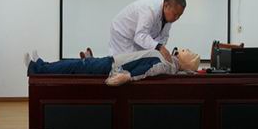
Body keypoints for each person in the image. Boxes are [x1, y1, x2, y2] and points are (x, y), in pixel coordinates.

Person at [26, 47, 200, 85]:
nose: (185, 49)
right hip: (113, 61)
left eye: (189, 53)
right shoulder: (168, 60)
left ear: (187, 63)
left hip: (112, 66)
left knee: (77, 65)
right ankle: (42, 65)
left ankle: (37, 68)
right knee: (77, 64)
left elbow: (147, 71)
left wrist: (127, 77)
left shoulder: (165, 65)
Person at [108, 0, 186, 60]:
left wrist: (160, 49)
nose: (176, 18)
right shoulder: (150, 9)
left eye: (179, 15)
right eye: (175, 14)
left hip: (135, 37)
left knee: (139, 62)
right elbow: (140, 36)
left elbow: (163, 36)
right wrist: (159, 47)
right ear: (166, 5)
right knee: (122, 63)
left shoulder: (168, 15)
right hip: (122, 32)